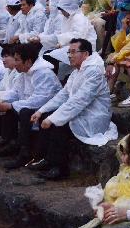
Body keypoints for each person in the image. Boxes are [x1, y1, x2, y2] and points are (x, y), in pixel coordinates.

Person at [31, 39, 118, 180]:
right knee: (45, 115)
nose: (69, 56)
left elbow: (79, 101)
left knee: (59, 123)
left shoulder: (94, 72)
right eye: (68, 52)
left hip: (94, 116)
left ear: (85, 54)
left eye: (73, 52)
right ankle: (46, 159)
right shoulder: (77, 72)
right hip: (82, 112)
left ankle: (59, 168)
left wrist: (53, 119)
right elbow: (63, 95)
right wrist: (41, 110)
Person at [0, 43, 62, 167]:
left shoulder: (44, 74)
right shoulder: (25, 73)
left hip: (48, 111)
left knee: (22, 111)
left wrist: (11, 106)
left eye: (17, 60)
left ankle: (25, 153)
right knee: (10, 106)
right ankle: (11, 143)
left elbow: (39, 100)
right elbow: (15, 93)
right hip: (34, 109)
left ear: (28, 61)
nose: (15, 63)